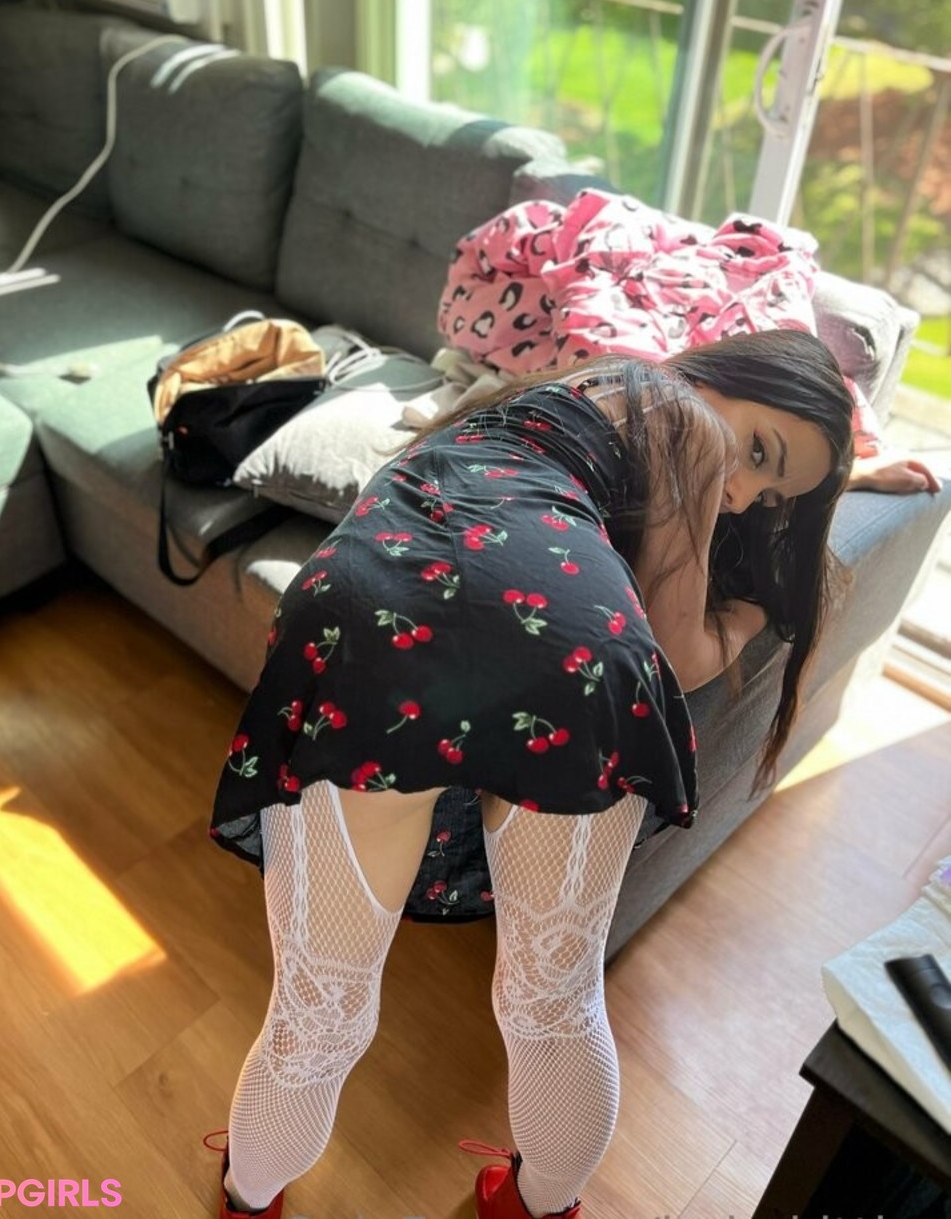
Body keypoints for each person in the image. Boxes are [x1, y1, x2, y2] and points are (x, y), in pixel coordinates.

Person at [204, 328, 856, 1219]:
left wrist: (854, 470)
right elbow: (680, 649)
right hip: (569, 640)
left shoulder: (573, 390)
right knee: (554, 1003)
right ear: (722, 376)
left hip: (370, 611)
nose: (740, 494)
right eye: (758, 452)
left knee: (317, 1010)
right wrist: (742, 621)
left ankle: (250, 1195)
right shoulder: (686, 415)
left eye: (771, 496)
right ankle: (536, 1203)